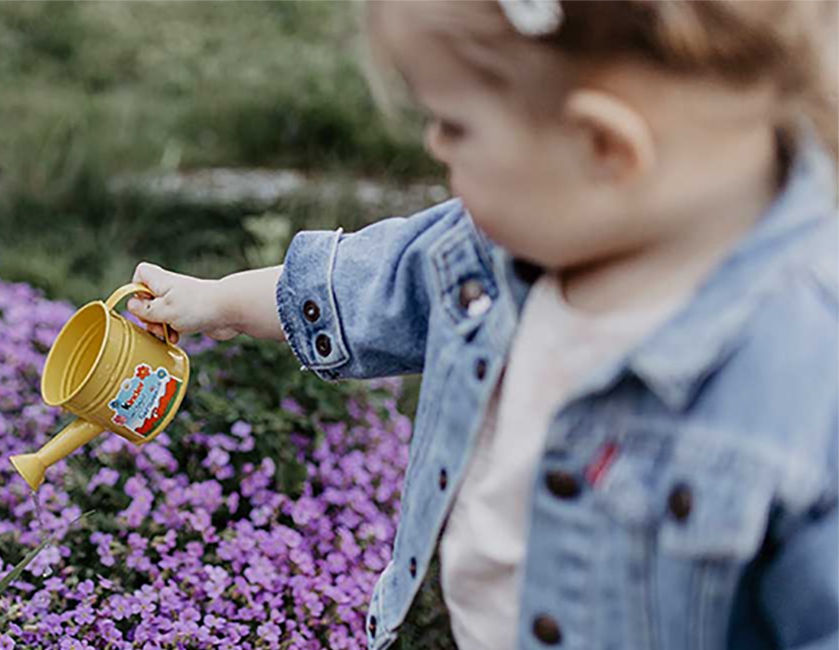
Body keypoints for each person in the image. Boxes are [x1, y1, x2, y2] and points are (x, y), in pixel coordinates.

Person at [125, 1, 839, 648]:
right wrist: (216, 300)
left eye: (453, 123)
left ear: (602, 147)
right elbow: (366, 284)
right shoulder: (506, 243)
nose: (436, 145)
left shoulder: (800, 379)